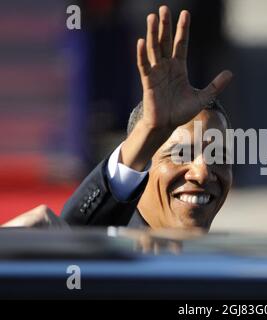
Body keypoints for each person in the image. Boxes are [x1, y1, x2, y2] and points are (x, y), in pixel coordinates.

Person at [3, 6, 233, 231]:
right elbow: (76, 235)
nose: (203, 172)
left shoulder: (227, 264)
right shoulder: (102, 257)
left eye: (219, 156)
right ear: (142, 166)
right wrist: (150, 130)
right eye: (181, 154)